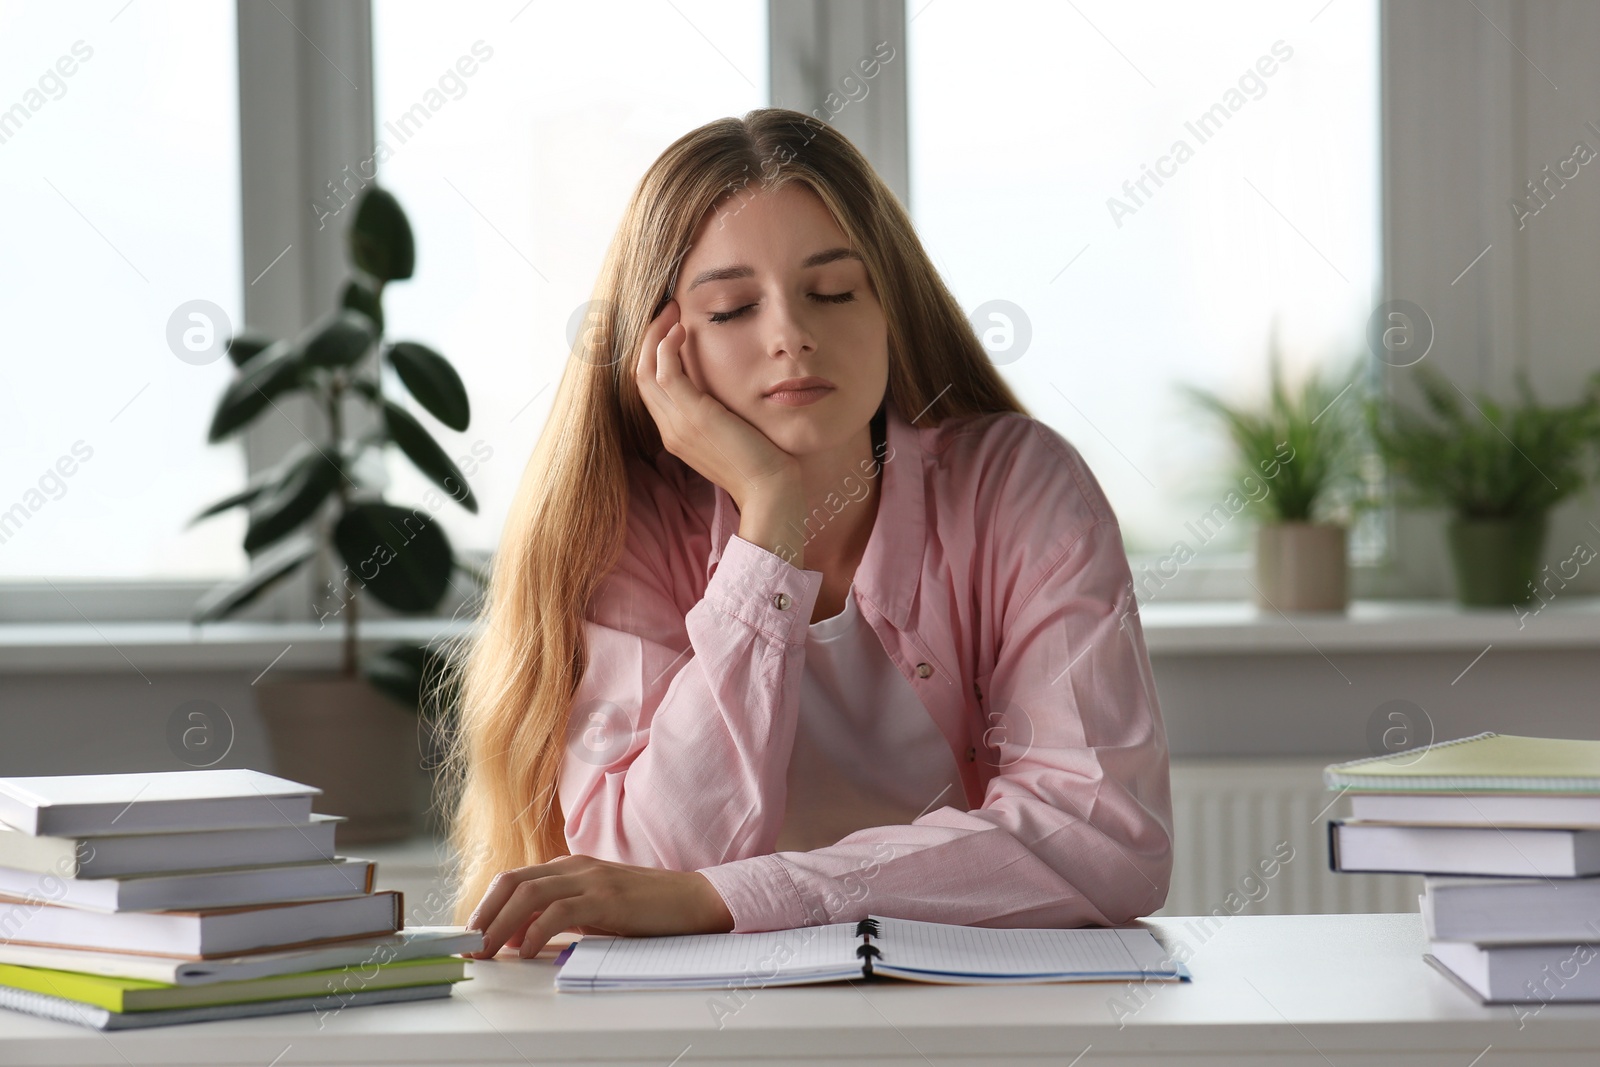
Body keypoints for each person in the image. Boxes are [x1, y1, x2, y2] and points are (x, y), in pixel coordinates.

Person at [445, 107, 1172, 960]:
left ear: (890, 306)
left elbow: (1104, 840)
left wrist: (741, 897)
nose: (791, 333)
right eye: (730, 309)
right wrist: (768, 525)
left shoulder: (1020, 487)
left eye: (833, 291)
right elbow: (638, 867)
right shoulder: (628, 524)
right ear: (663, 348)